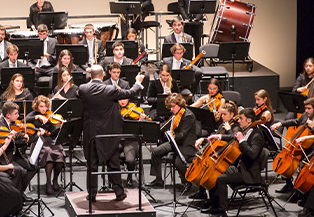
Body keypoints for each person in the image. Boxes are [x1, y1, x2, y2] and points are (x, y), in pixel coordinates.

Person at [77, 64, 145, 202]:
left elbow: (80, 93)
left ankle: (92, 194)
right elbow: (130, 93)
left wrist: (89, 75)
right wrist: (138, 82)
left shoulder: (83, 89)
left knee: (92, 164)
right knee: (113, 162)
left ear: (91, 76)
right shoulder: (110, 90)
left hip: (91, 133)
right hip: (108, 132)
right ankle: (119, 192)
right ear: (103, 76)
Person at [202, 108, 266, 216]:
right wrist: (218, 136)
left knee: (221, 179)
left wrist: (242, 140)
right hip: (240, 168)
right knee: (215, 170)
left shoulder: (257, 135)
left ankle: (223, 211)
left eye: (241, 118)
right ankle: (214, 205)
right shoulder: (246, 131)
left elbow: (252, 154)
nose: (239, 120)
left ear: (249, 120)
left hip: (249, 174)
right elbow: (232, 137)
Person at [269, 97, 314, 194]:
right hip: (302, 146)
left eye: (309, 108)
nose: (306, 111)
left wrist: (313, 127)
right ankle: (289, 185)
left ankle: (301, 190)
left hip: (313, 148)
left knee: (301, 164)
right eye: (305, 108)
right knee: (287, 163)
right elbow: (296, 121)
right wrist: (280, 123)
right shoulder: (305, 116)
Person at [148, 93, 199, 188]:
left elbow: (183, 134)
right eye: (170, 107)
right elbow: (164, 126)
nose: (171, 109)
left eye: (173, 107)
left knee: (178, 162)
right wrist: (153, 128)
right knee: (155, 152)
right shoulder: (175, 114)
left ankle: (188, 183)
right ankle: (158, 180)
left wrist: (171, 135)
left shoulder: (188, 116)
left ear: (179, 104)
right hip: (175, 142)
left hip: (187, 145)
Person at [192, 102, 238, 200]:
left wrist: (229, 130)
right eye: (221, 114)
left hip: (229, 160)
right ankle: (202, 192)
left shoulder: (235, 127)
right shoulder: (223, 125)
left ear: (232, 114)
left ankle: (215, 202)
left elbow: (234, 139)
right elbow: (213, 138)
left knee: (211, 172)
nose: (222, 116)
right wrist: (203, 139)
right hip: (219, 156)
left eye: (224, 114)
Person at [26, 95, 66, 195]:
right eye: (41, 106)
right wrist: (37, 116)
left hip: (50, 140)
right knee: (48, 154)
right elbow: (24, 121)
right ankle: (48, 183)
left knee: (60, 154)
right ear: (37, 107)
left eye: (45, 106)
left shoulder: (50, 115)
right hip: (39, 141)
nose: (44, 109)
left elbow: (53, 133)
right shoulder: (33, 114)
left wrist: (59, 127)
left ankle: (55, 180)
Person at [0, 102, 34, 192]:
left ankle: (20, 191)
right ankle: (15, 193)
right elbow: (9, 141)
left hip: (14, 155)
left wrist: (23, 136)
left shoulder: (10, 124)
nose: (18, 116)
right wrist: (21, 138)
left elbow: (16, 138)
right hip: (5, 158)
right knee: (21, 171)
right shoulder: (0, 126)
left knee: (34, 167)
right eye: (15, 114)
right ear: (8, 115)